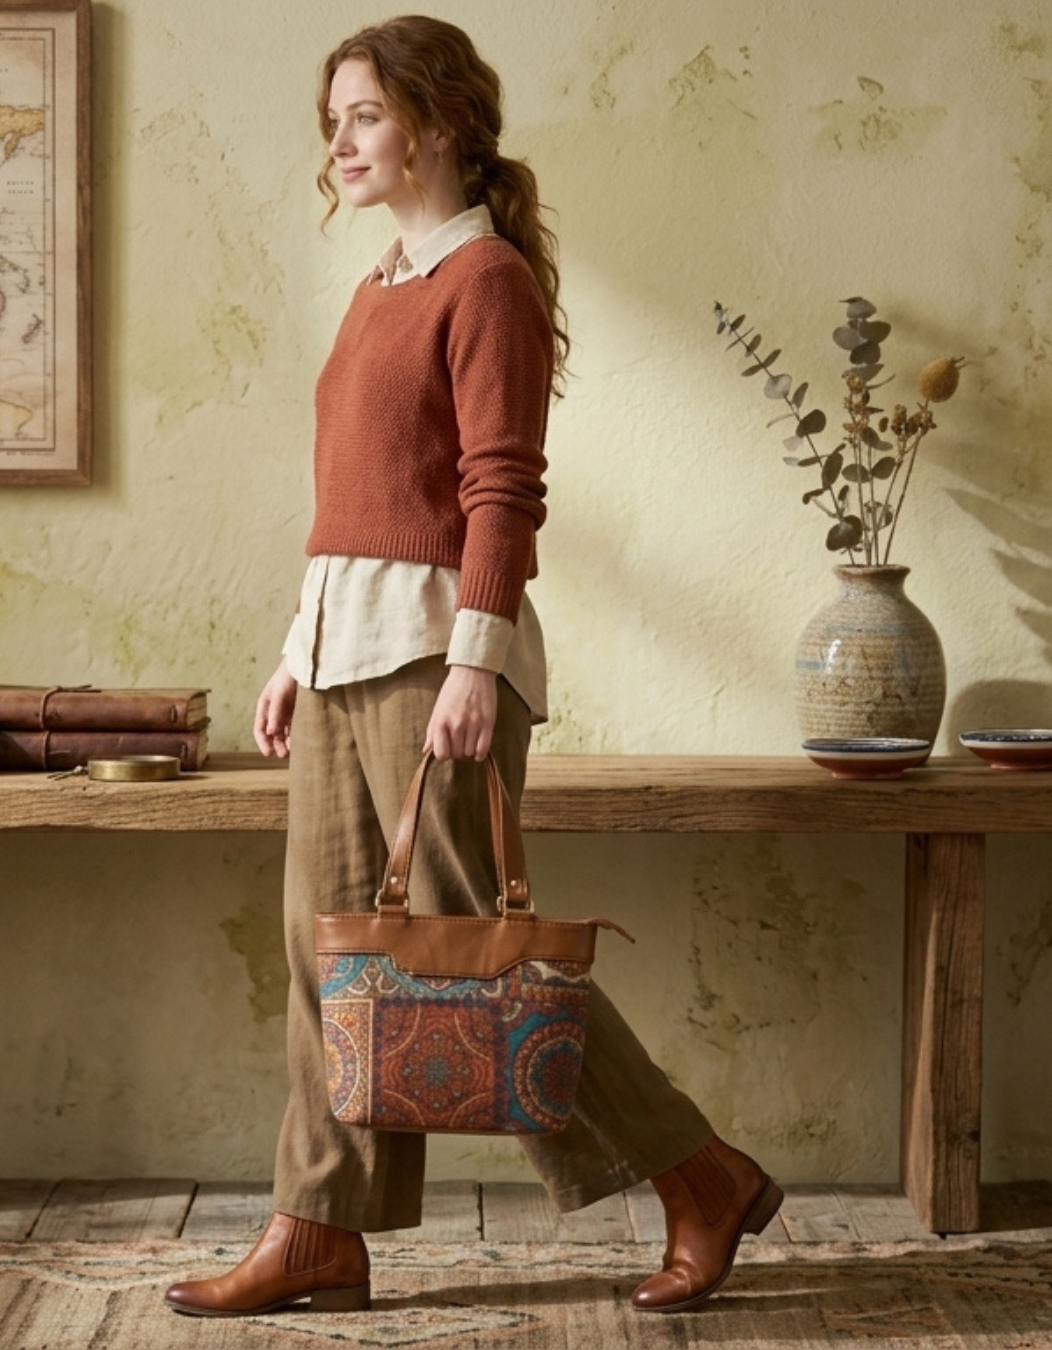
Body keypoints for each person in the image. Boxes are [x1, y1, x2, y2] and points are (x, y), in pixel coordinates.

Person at [164, 14, 781, 1319]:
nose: (340, 138)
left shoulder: (485, 279)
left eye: (366, 114)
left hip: (437, 658)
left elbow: (504, 490)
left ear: (438, 124)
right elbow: (353, 495)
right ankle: (320, 1225)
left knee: (473, 956)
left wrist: (472, 663)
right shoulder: (380, 281)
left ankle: (702, 1172)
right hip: (344, 654)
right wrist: (294, 650)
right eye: (332, 117)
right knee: (327, 949)